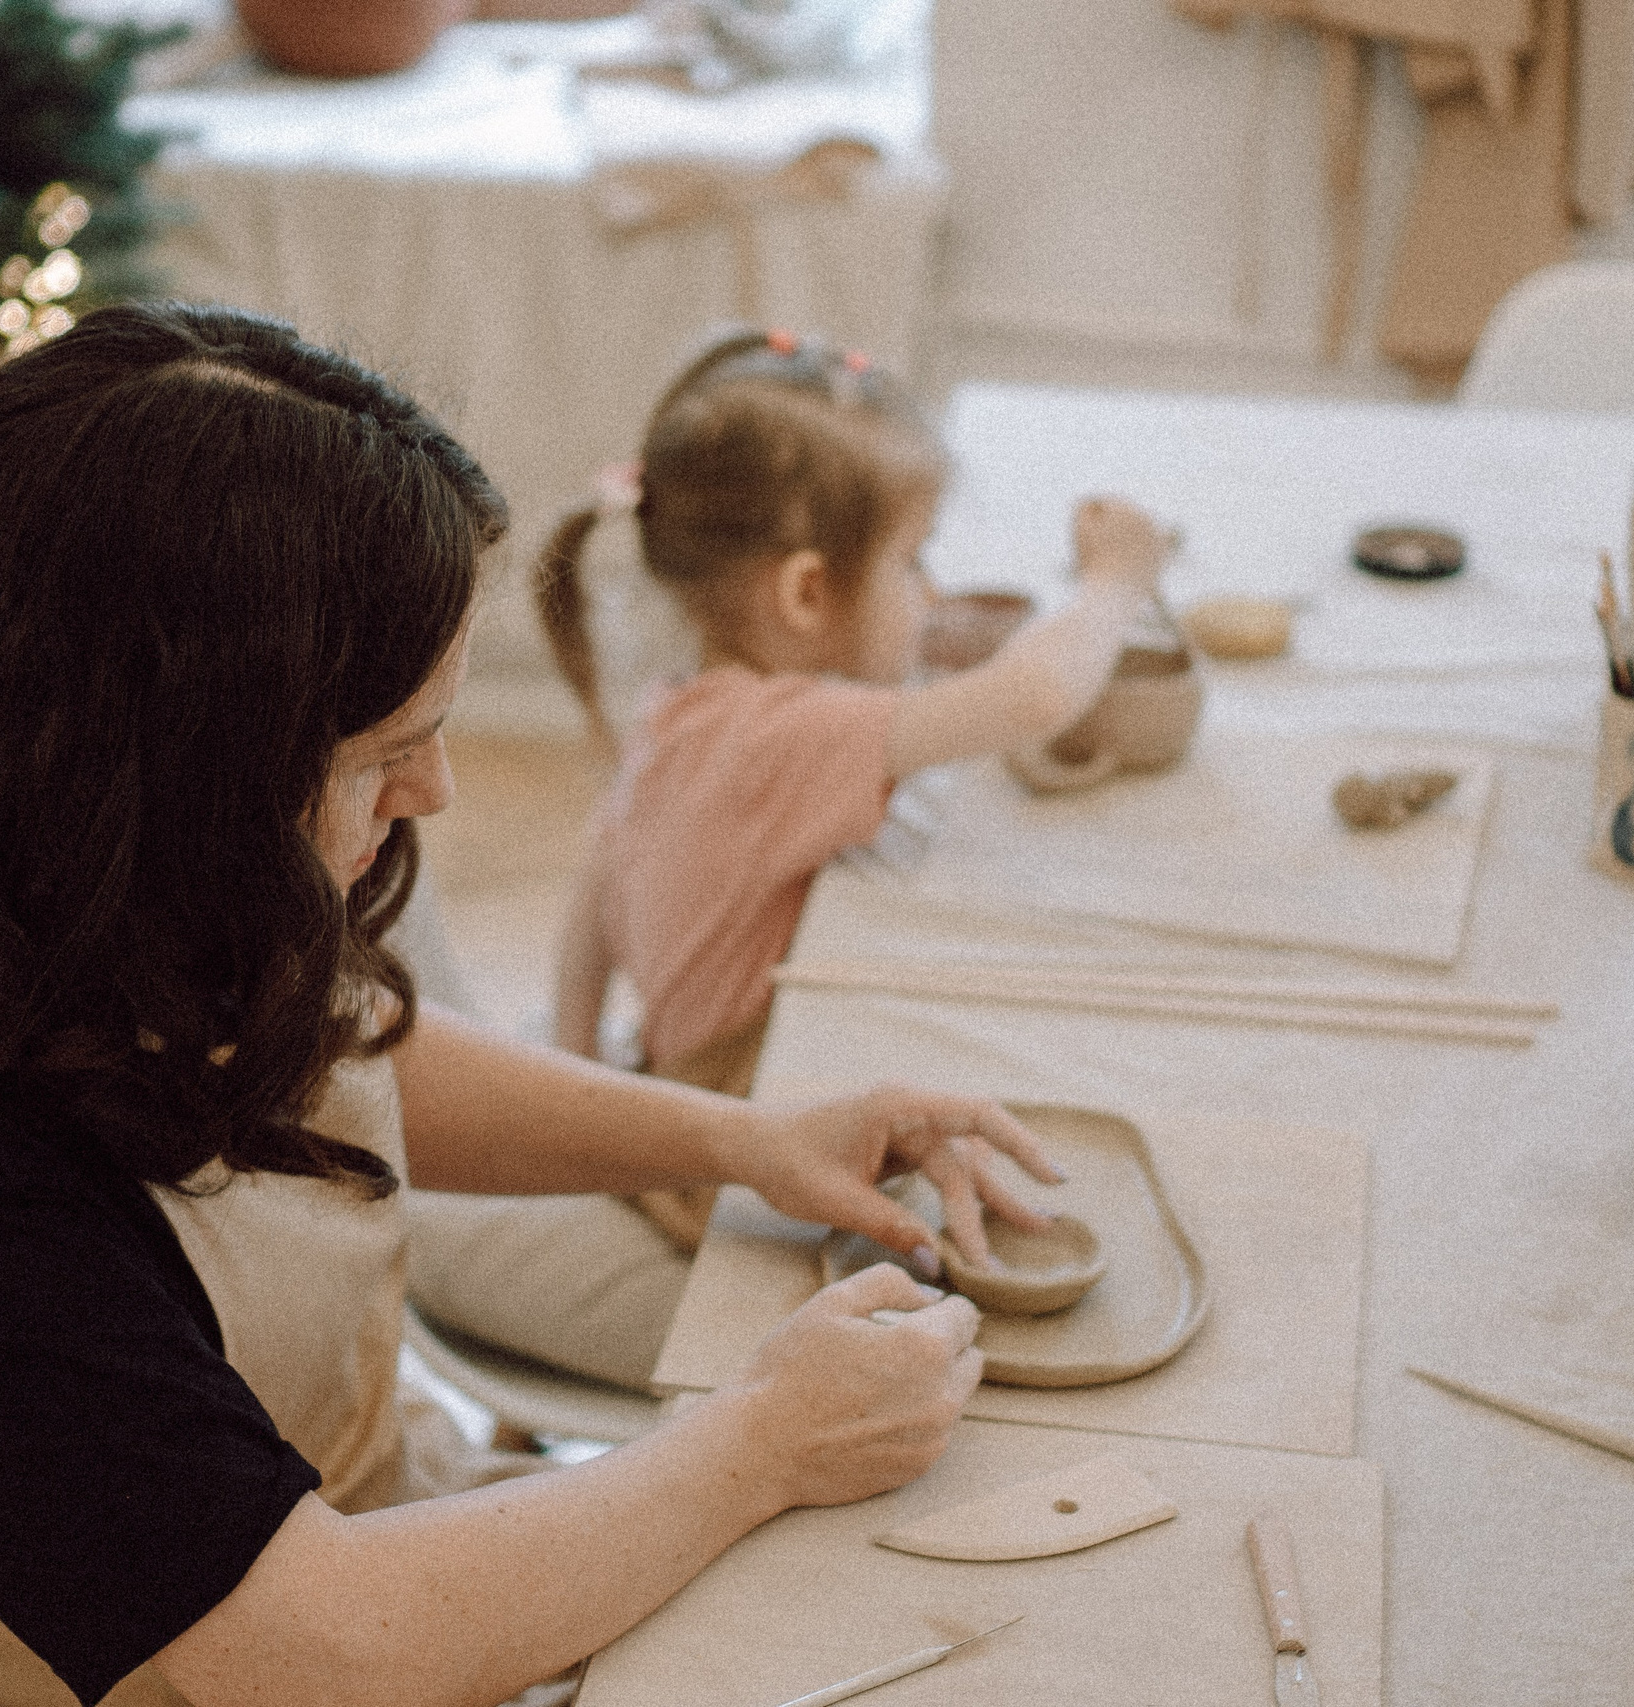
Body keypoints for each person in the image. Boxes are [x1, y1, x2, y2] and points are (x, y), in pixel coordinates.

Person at [0, 301, 1063, 1707]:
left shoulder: (99, 868)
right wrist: (759, 1438)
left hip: (346, 1560)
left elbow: (341, 1050)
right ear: (160, 754)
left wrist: (742, 1137)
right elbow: (309, 1646)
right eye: (388, 749)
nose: (436, 793)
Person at [401, 332, 1169, 1387]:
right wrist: (1117, 581)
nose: (931, 593)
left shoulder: (691, 708)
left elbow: (594, 898)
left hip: (680, 1090)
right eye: (910, 562)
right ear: (806, 596)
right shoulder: (781, 740)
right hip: (734, 1169)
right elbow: (1036, 699)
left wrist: (584, 1070)